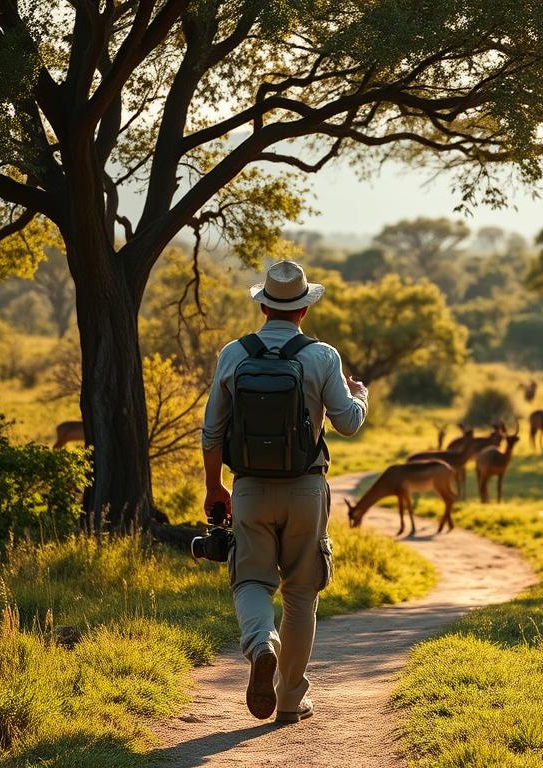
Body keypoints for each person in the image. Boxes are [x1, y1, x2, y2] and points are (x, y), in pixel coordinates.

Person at [201, 260, 368, 723]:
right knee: (301, 593)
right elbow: (349, 423)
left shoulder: (234, 354)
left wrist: (215, 487)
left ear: (262, 305)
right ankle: (290, 698)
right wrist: (360, 394)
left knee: (251, 579)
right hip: (305, 491)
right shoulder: (322, 356)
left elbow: (211, 432)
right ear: (304, 310)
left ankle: (261, 645)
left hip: (250, 488)